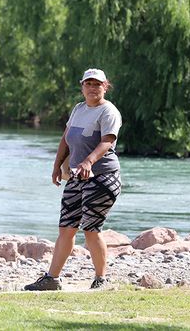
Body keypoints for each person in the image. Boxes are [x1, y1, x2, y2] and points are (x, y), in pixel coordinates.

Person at [24, 68, 123, 291]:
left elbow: (107, 142)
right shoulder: (79, 109)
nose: (92, 88)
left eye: (97, 84)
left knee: (91, 228)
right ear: (82, 86)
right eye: (88, 84)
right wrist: (57, 165)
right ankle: (52, 279)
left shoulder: (109, 112)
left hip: (103, 177)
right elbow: (66, 139)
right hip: (77, 176)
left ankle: (101, 280)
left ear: (105, 86)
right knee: (66, 228)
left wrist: (88, 161)